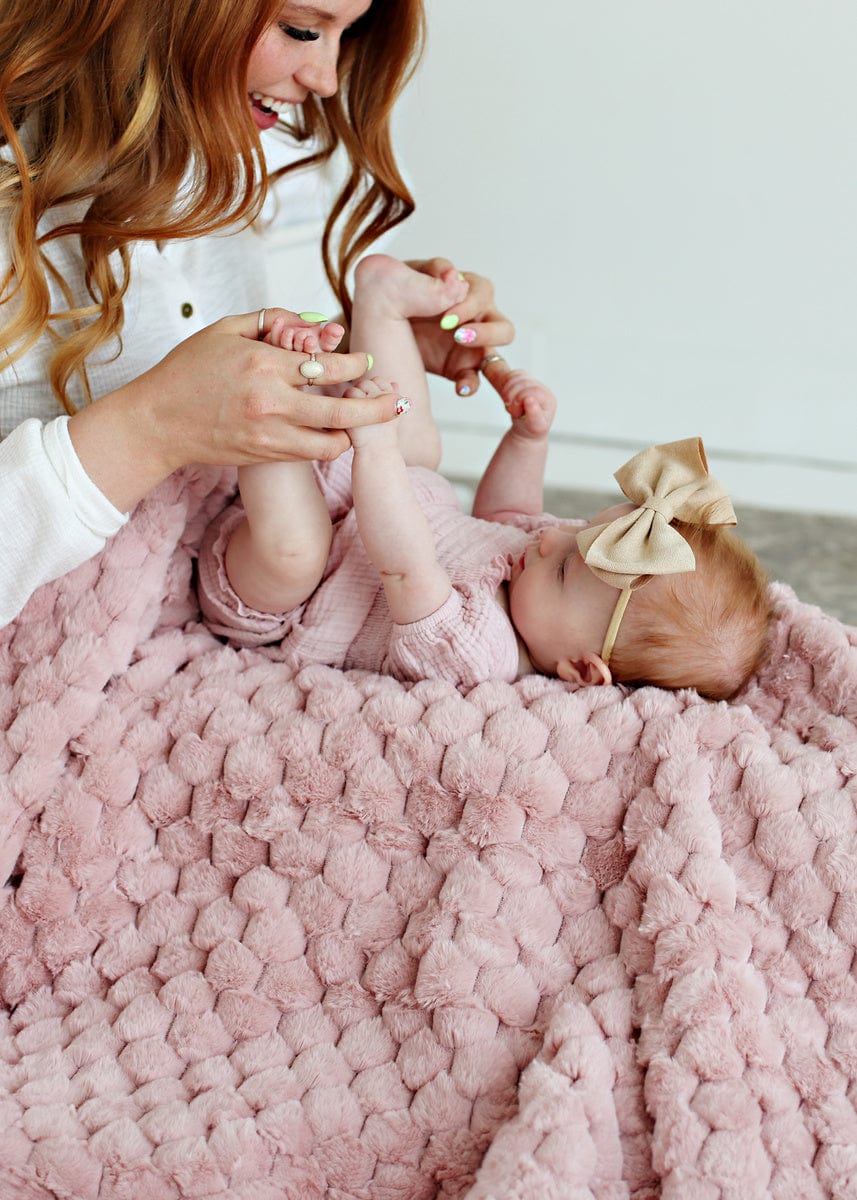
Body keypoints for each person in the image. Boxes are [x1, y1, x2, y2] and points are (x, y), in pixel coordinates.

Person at [0, 0, 513, 627]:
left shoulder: (214, 165)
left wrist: (366, 346)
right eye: (301, 28)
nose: (325, 79)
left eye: (344, 35)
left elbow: (210, 395)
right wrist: (150, 427)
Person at [199, 254, 772, 702]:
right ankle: (383, 302)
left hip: (291, 594)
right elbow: (507, 515)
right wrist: (527, 439)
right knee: (419, 448)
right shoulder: (543, 570)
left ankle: (266, 394)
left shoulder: (479, 654)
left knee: (296, 552)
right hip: (357, 491)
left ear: (579, 669)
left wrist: (375, 450)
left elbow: (404, 563)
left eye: (567, 565)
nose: (549, 538)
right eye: (578, 530)